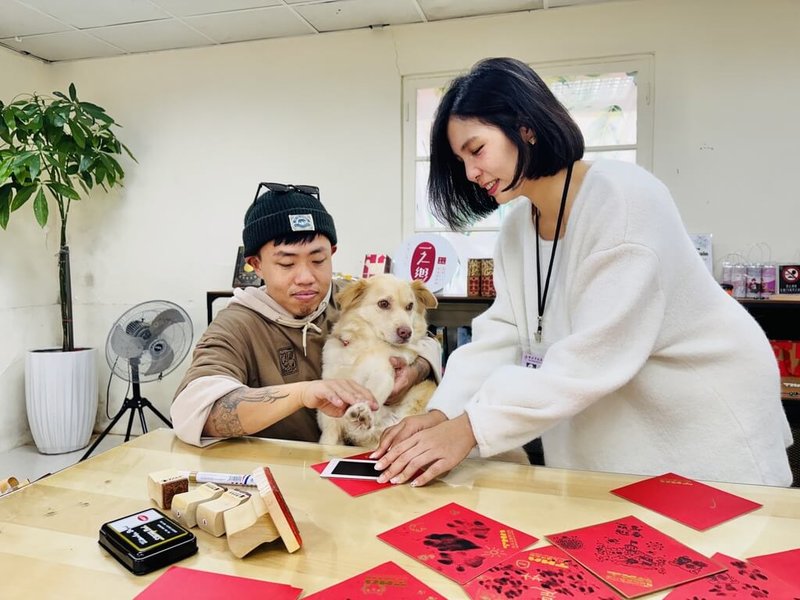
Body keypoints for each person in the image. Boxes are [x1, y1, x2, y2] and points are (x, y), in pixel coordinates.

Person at [372, 57, 793, 487]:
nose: (470, 173)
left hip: (701, 412)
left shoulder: (623, 201)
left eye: (476, 150)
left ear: (525, 127)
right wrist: (444, 413)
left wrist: (469, 429)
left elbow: (593, 357)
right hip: (626, 422)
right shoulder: (517, 229)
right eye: (461, 160)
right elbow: (502, 334)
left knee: (714, 526)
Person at [171, 182, 441, 447]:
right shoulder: (237, 325)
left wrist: (414, 371)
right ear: (256, 265)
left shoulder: (352, 298)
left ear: (332, 254)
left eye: (318, 260)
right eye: (286, 263)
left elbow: (424, 339)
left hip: (367, 457)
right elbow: (193, 411)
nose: (306, 277)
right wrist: (302, 394)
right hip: (281, 467)